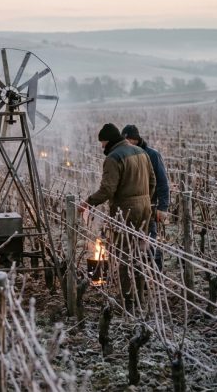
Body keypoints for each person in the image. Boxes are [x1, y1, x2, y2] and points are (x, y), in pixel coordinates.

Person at [79, 123, 155, 307]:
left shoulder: (114, 158)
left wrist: (87, 203)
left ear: (110, 141)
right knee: (139, 251)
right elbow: (152, 181)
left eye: (103, 142)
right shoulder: (140, 151)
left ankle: (127, 298)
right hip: (145, 207)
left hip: (125, 211)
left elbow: (107, 189)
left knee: (123, 253)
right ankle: (140, 296)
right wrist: (144, 200)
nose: (102, 147)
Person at [122, 124, 169, 270]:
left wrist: (163, 207)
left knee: (149, 242)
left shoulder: (152, 155)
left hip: (149, 207)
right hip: (130, 209)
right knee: (133, 243)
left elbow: (163, 182)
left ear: (135, 139)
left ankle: (155, 275)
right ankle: (138, 273)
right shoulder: (126, 155)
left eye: (128, 141)